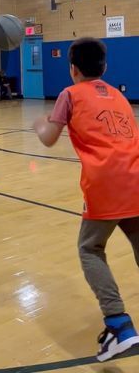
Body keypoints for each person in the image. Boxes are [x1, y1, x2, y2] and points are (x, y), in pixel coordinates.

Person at [33, 37, 139, 362]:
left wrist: (40, 124)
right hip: (137, 176)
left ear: (72, 69)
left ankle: (119, 326)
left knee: (90, 248)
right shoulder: (119, 95)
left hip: (106, 182)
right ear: (104, 68)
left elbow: (50, 139)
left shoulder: (70, 93)